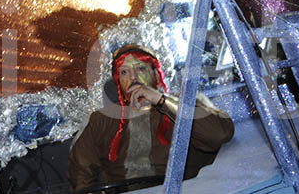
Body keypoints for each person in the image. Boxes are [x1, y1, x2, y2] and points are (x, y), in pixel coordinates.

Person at [67, 45, 234, 192]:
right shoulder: (102, 120)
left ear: (156, 73)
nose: (132, 78)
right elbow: (81, 174)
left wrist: (161, 101)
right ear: (118, 82)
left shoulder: (187, 103)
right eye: (124, 72)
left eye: (140, 69)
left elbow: (219, 134)